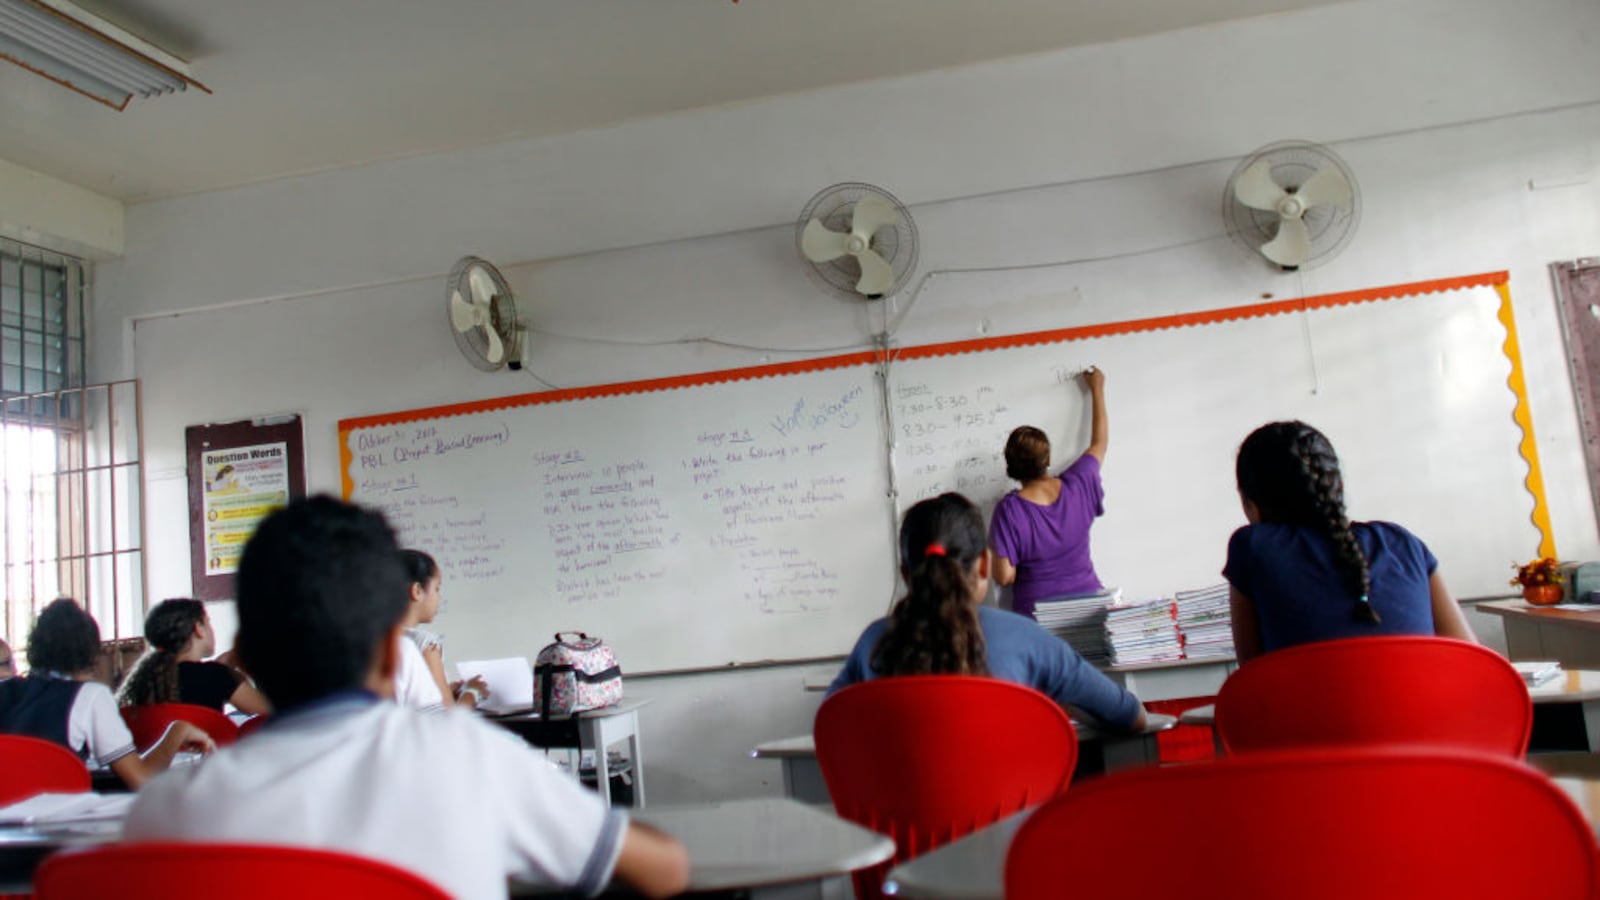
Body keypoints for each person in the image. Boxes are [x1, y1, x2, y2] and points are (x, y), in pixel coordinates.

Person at [125, 496, 689, 899]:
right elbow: (664, 872)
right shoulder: (473, 761)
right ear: (397, 654)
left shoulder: (163, 816)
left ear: (242, 653)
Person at [829, 492, 1147, 731]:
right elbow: (1131, 717)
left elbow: (829, 727)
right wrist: (1056, 705)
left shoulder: (873, 643)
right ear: (983, 564)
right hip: (1014, 820)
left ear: (905, 574)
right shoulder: (1028, 640)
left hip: (898, 820)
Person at [1224, 420, 1477, 662]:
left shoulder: (1252, 547)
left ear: (1251, 506)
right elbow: (1470, 658)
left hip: (1305, 708)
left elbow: (1253, 674)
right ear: (1337, 486)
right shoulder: (1401, 543)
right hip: (1424, 707)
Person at [0, 599, 214, 789]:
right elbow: (141, 780)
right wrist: (177, 732)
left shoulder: (5, 689)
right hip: (58, 824)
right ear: (91, 653)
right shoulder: (90, 696)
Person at [989, 365, 1111, 620]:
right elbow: (1099, 443)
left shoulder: (1009, 511)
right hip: (1089, 609)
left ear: (1011, 467)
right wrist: (1097, 388)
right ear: (1047, 458)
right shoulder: (1079, 483)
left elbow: (1004, 576)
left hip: (1038, 618)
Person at [117, 598, 271, 714]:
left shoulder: (145, 681)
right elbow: (269, 712)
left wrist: (224, 668)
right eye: (208, 622)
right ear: (198, 628)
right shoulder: (216, 677)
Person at [397, 549, 488, 710]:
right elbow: (448, 720)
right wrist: (472, 693)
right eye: (437, 589)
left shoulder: (375, 639)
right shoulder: (425, 643)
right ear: (417, 591)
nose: (439, 597)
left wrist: (446, 689)